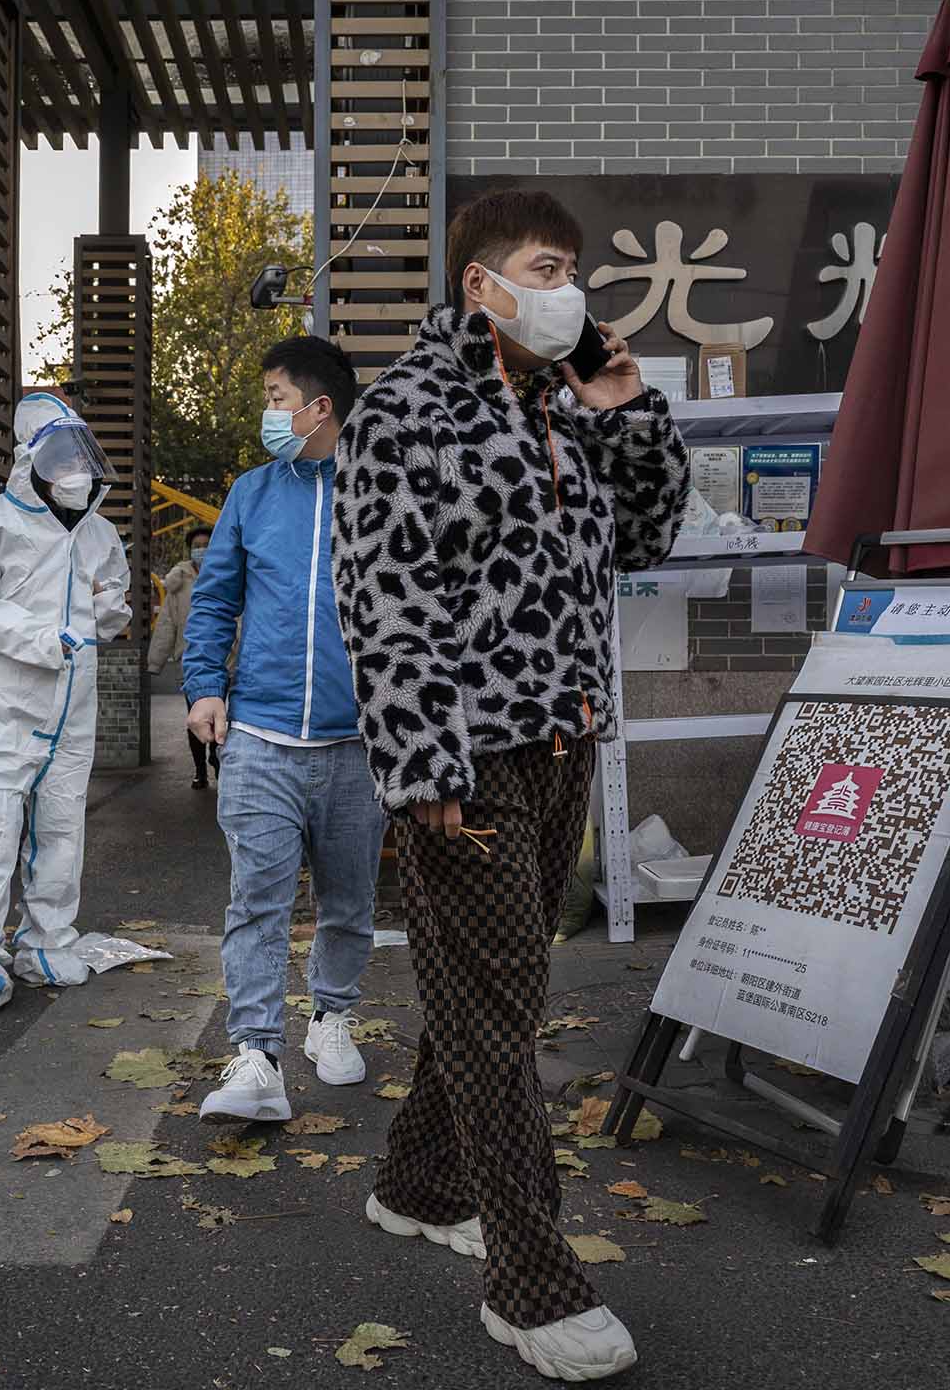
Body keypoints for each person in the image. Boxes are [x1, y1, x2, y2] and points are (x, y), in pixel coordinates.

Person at [332, 189, 687, 1381]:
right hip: (466, 756)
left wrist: (629, 414)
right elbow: (385, 599)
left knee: (495, 990)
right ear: (480, 285)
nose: (570, 289)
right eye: (547, 266)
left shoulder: (568, 411)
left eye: (575, 269)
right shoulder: (403, 416)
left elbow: (646, 541)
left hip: (564, 744)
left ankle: (419, 1184)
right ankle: (532, 1284)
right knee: (493, 1014)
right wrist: (421, 758)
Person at [184, 335, 385, 1124]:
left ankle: (331, 1017)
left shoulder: (381, 495)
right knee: (257, 902)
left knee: (349, 902)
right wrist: (204, 688)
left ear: (318, 407)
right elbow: (213, 601)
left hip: (357, 743)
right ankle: (256, 1054)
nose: (266, 411)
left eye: (274, 397)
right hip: (261, 736)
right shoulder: (252, 493)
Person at [0, 392, 131, 1010]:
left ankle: (46, 942)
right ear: (30, 459)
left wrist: (107, 613)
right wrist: (41, 637)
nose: (76, 472)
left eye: (81, 457)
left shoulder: (98, 532)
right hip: (1, 699)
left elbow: (112, 596)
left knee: (61, 825)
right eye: (62, 458)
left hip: (73, 702)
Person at [148, 525, 220, 788]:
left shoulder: (226, 574)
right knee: (196, 717)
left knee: (224, 717)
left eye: (206, 544)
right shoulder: (179, 582)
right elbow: (168, 622)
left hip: (226, 658)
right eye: (197, 545)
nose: (201, 549)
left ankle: (218, 760)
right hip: (191, 659)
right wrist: (155, 661)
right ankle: (200, 769)